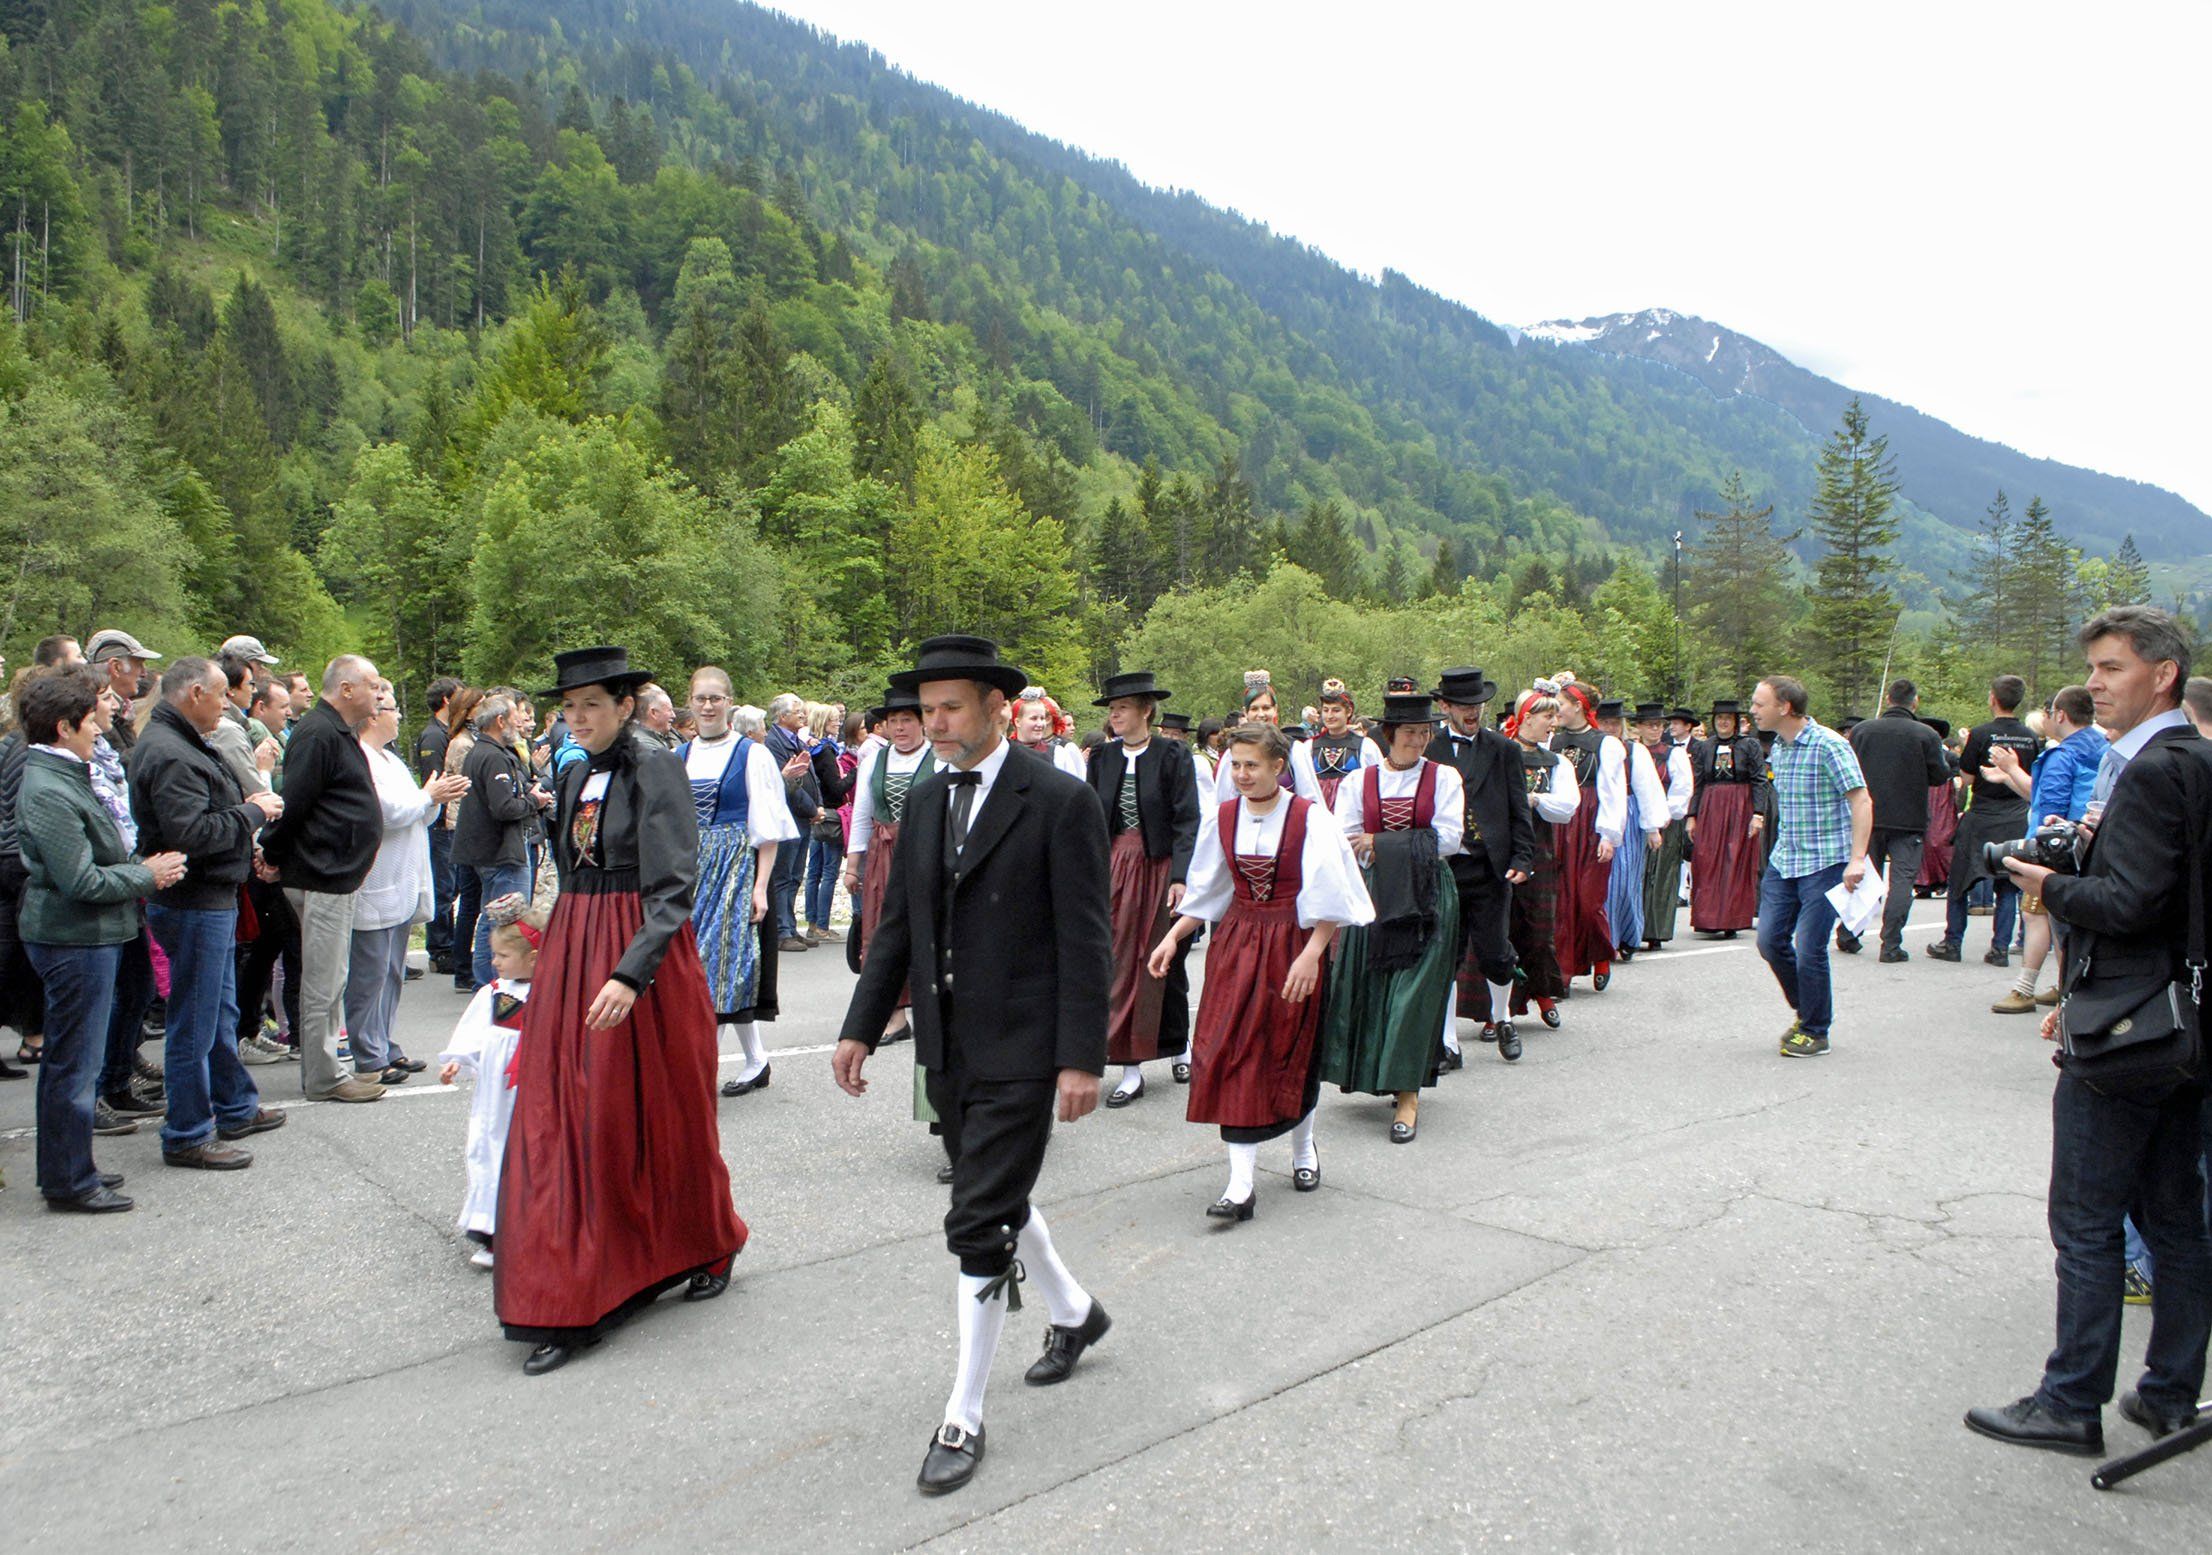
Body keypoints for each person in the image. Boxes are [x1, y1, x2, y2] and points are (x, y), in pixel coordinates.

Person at [834, 635, 1113, 1498]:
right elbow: (897, 927)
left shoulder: (1060, 800)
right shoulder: (923, 800)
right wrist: (860, 1025)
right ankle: (1075, 1312)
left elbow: (1086, 937)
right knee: (998, 1198)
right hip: (948, 1045)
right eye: (926, 709)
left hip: (1026, 1046)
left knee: (977, 1216)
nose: (935, 722)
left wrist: (1081, 1058)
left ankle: (963, 1413)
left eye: (951, 706)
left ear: (998, 706)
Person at [1966, 605, 2212, 1457]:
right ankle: (2170, 1391)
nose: (2094, 684)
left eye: (2111, 667)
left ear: (2163, 674)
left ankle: (2071, 1400)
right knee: (2176, 1216)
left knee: (2086, 1218)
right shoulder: (2198, 758)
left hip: (2128, 1026)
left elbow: (2130, 902)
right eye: (2094, 669)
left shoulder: (2148, 770)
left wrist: (2048, 885)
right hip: (2184, 1020)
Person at [497, 646, 748, 1376]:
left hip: (640, 957)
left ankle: (708, 1241)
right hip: (576, 948)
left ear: (625, 707)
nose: (577, 718)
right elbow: (571, 868)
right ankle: (573, 1285)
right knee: (563, 1114)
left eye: (592, 706)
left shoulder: (656, 766)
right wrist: (549, 939)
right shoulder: (574, 769)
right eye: (569, 707)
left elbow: (673, 887)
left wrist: (631, 975)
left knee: (655, 1114)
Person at [1152, 721, 1371, 1203]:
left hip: (1293, 946)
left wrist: (1312, 954)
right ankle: (1241, 1183)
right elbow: (1209, 890)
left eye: (1252, 765)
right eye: (1235, 764)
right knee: (1231, 1050)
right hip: (1236, 945)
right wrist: (1172, 937)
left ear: (1278, 766)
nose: (1242, 774)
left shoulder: (1310, 820)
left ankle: (1303, 1150)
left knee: (1292, 1049)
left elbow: (1331, 898)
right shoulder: (1223, 817)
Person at [15, 666, 188, 1210]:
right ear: (64, 727)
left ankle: (72, 1166)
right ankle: (68, 1181)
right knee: (74, 1063)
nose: (99, 728)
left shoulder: (66, 773)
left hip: (87, 935)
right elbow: (82, 881)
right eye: (90, 720)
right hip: (73, 939)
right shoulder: (48, 787)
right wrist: (146, 875)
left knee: (76, 1060)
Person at [128, 658, 289, 1170]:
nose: (228, 705)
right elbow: (191, 834)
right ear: (195, 693)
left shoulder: (181, 741)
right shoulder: (171, 751)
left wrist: (243, 820)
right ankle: (187, 1133)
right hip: (193, 902)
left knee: (216, 1013)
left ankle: (233, 1106)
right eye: (221, 695)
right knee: (194, 1022)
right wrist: (252, 813)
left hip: (208, 898)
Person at [1320, 688, 1460, 1141]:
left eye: (1424, 733)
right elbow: (1346, 838)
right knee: (1375, 986)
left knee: (1413, 994)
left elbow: (1449, 838)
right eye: (1410, 733)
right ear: (1391, 734)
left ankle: (1408, 1095)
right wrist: (1384, 846)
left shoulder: (1444, 778)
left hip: (1427, 895)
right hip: (1375, 894)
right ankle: (1380, 1073)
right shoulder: (1358, 782)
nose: (1418, 741)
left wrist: (1379, 842)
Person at [253, 655, 388, 1104]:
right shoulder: (318, 733)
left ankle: (329, 1068)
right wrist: (273, 853)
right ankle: (324, 1075)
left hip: (335, 875)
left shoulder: (335, 731)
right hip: (320, 874)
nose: (379, 694)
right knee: (323, 982)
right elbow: (294, 803)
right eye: (372, 685)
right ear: (346, 689)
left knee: (332, 979)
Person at [677, 666, 799, 1099]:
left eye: (716, 698)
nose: (708, 706)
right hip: (690, 870)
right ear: (690, 703)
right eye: (701, 698)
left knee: (717, 968)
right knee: (707, 970)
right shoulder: (678, 756)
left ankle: (698, 1071)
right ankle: (756, 1060)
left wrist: (760, 886)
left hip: (735, 867)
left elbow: (767, 827)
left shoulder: (752, 755)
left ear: (729, 703)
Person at [1086, 670, 1200, 1106]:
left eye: (1123, 708)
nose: (1115, 715)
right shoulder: (1102, 756)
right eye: (1113, 709)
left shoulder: (1173, 754)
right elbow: (1091, 819)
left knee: (1164, 961)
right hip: (1117, 866)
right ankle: (1129, 1066)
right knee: (1118, 961)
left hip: (1159, 867)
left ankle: (1179, 1044)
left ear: (1146, 711)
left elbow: (1187, 819)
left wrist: (1181, 876)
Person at [350, 680, 469, 1083]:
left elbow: (417, 811)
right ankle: (369, 1055)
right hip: (377, 879)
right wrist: (427, 797)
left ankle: (384, 1043)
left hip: (402, 880)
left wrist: (435, 799)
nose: (399, 716)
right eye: (393, 710)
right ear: (373, 716)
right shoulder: (361, 759)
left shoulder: (391, 760)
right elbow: (384, 812)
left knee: (391, 972)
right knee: (370, 974)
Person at [1749, 676, 1871, 1058]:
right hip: (1786, 859)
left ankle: (1816, 1030)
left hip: (1826, 862)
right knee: (1769, 941)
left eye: (1759, 704)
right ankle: (1808, 1009)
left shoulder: (1829, 744)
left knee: (1810, 947)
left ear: (1784, 707)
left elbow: (1861, 800)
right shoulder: (1778, 747)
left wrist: (1857, 858)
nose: (1753, 710)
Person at [1427, 667, 1537, 1062]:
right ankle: (1448, 1043)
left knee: (1495, 953)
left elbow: (1518, 809)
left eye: (1477, 705)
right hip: (1446, 869)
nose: (1472, 712)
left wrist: (1523, 857)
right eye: (1463, 705)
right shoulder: (1430, 751)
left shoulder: (1504, 749)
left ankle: (1502, 1017)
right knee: (1445, 957)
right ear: (1445, 707)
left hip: (1491, 868)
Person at [437, 893, 543, 1271]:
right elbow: (475, 1032)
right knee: (489, 1145)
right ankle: (491, 1228)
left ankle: (529, 1228)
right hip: (497, 1092)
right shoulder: (494, 993)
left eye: (502, 955)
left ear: (533, 958)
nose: (494, 962)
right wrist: (458, 1060)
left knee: (529, 1150)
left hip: (534, 1085)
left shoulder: (551, 993)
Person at [1985, 685, 2106, 1014]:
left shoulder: (2062, 755)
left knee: (2048, 919)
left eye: (2050, 713)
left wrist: (2012, 770)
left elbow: (2048, 810)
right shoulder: (2103, 746)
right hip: (2090, 845)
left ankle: (2055, 994)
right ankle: (2067, 987)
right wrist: (2010, 776)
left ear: (2061, 715)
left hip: (2058, 852)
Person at [1928, 675, 2041, 968]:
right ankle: (2000, 949)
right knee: (2007, 884)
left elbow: (1966, 777)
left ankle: (1953, 942)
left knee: (1960, 881)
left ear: (1993, 698)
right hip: (2015, 814)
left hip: (1982, 814)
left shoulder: (1980, 734)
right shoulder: (2030, 737)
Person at [1841, 680, 1953, 962]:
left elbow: (1848, 768)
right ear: (1914, 702)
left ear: (1889, 699)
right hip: (1909, 818)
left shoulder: (1862, 731)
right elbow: (1940, 775)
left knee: (1864, 874)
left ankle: (1849, 933)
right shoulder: (1926, 734)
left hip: (1868, 814)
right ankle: (1890, 944)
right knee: (1902, 881)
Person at [454, 695, 547, 992]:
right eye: (515, 715)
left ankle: (488, 983)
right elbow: (504, 807)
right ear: (500, 720)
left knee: (492, 918)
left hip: (489, 849)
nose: (520, 722)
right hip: (501, 850)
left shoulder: (482, 751)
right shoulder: (493, 756)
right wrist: (534, 801)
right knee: (506, 921)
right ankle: (495, 985)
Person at [233, 676, 300, 1065]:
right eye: (282, 706)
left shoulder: (272, 739)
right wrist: (266, 852)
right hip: (257, 859)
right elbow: (261, 798)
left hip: (262, 853)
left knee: (269, 947)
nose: (289, 712)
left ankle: (254, 1027)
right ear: (260, 707)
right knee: (260, 950)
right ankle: (248, 1030)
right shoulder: (252, 737)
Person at [1546, 677, 1626, 989]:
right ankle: (1562, 971)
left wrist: (1608, 834)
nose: (1557, 711)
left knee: (1588, 899)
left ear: (1578, 706)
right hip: (1560, 823)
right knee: (1561, 899)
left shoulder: (1605, 744)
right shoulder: (1553, 742)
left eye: (1561, 705)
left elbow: (1613, 792)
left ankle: (1601, 953)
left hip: (1591, 823)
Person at [1686, 698, 1769, 937]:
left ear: (1735, 722)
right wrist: (1692, 815)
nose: (1723, 722)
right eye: (1719, 718)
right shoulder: (1704, 747)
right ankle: (1708, 917)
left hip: (1740, 805)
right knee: (1707, 858)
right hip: (1711, 805)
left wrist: (1758, 814)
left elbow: (1759, 780)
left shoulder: (1749, 745)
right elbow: (1698, 782)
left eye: (1728, 719)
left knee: (1735, 859)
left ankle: (1731, 918)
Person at [0, 669, 48, 1074]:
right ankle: (34, 1037)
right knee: (20, 957)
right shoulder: (25, 748)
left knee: (13, 955)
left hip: (10, 856)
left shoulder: (13, 743)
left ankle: (34, 1036)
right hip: (16, 859)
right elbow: (22, 810)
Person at [1597, 698, 1667, 962]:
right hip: (1595, 813)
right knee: (1599, 881)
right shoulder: (1591, 748)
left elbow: (1647, 789)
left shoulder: (1634, 751)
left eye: (1614, 723)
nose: (1610, 728)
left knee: (1625, 879)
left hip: (1627, 815)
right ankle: (1602, 936)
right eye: (1604, 722)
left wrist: (1652, 827)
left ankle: (1627, 935)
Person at [1210, 671, 1325, 803]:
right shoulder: (1233, 753)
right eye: (1254, 709)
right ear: (1245, 712)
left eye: (1266, 708)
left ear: (1275, 709)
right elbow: (1223, 800)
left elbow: (1310, 799)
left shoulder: (1294, 750)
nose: (1261, 714)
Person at [415, 677, 463, 975]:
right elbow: (434, 779)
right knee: (443, 886)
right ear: (446, 699)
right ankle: (440, 948)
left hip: (449, 821)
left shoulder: (447, 732)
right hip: (441, 821)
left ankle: (448, 944)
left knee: (452, 885)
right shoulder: (433, 736)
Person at [1637, 703, 1693, 951]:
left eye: (1659, 725)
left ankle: (1656, 930)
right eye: (1650, 725)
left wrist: (1663, 815)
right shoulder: (1632, 752)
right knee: (1637, 874)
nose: (1655, 730)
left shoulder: (1673, 754)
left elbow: (1682, 789)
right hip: (1637, 820)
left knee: (1661, 875)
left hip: (1666, 822)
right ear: (1639, 727)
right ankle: (1633, 927)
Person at [1306, 680, 1383, 807]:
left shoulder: (1366, 747)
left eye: (1336, 710)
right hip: (1319, 814)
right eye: (1326, 710)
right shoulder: (1309, 747)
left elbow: (1378, 784)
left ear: (1349, 711)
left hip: (1354, 813)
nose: (1329, 716)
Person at [83, 630, 161, 754]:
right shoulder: (95, 715)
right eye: (139, 664)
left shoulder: (122, 712)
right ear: (115, 667)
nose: (144, 673)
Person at [1011, 686, 1089, 778]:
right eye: (1034, 718)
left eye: (1042, 718)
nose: (1040, 724)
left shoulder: (1058, 754)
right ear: (1017, 722)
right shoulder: (1005, 751)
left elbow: (1076, 783)